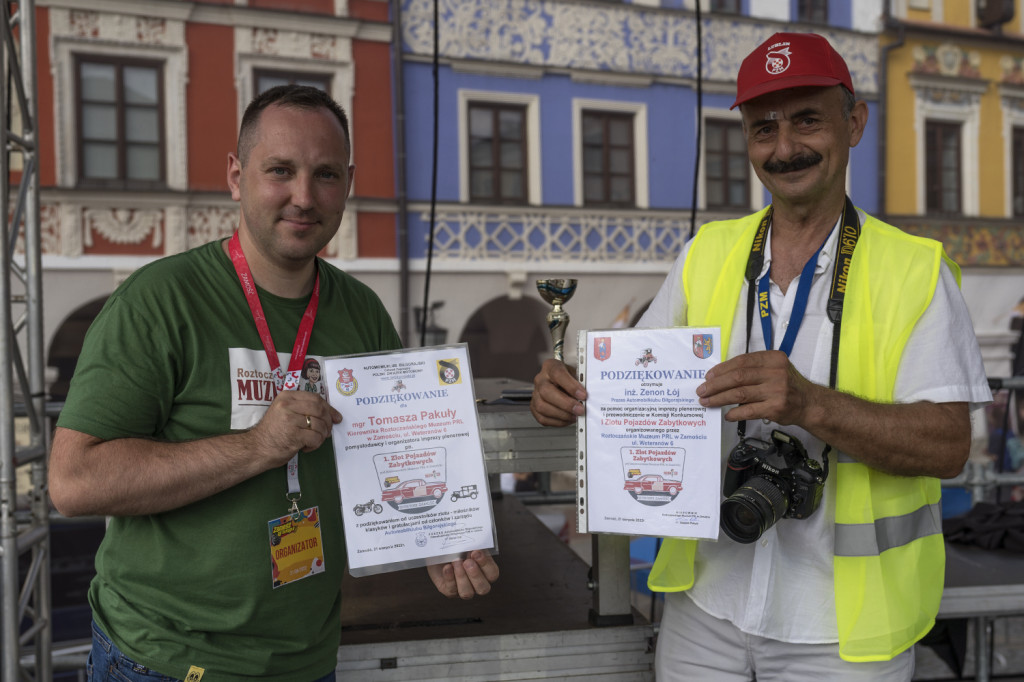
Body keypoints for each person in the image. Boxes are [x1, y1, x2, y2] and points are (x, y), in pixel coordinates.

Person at [531, 32, 991, 680]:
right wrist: (573, 387)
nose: (784, 148)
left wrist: (813, 405)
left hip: (845, 632)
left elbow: (949, 447)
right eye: (763, 128)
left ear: (854, 122)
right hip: (706, 608)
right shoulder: (707, 254)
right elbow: (633, 382)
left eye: (807, 120)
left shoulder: (914, 271)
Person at [49, 85, 498, 682]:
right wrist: (258, 447)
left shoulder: (361, 313)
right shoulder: (159, 301)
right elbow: (74, 482)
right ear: (237, 176)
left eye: (326, 174)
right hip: (162, 659)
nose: (304, 197)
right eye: (280, 171)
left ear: (349, 183)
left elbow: (391, 456)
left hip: (305, 661)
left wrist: (435, 546)